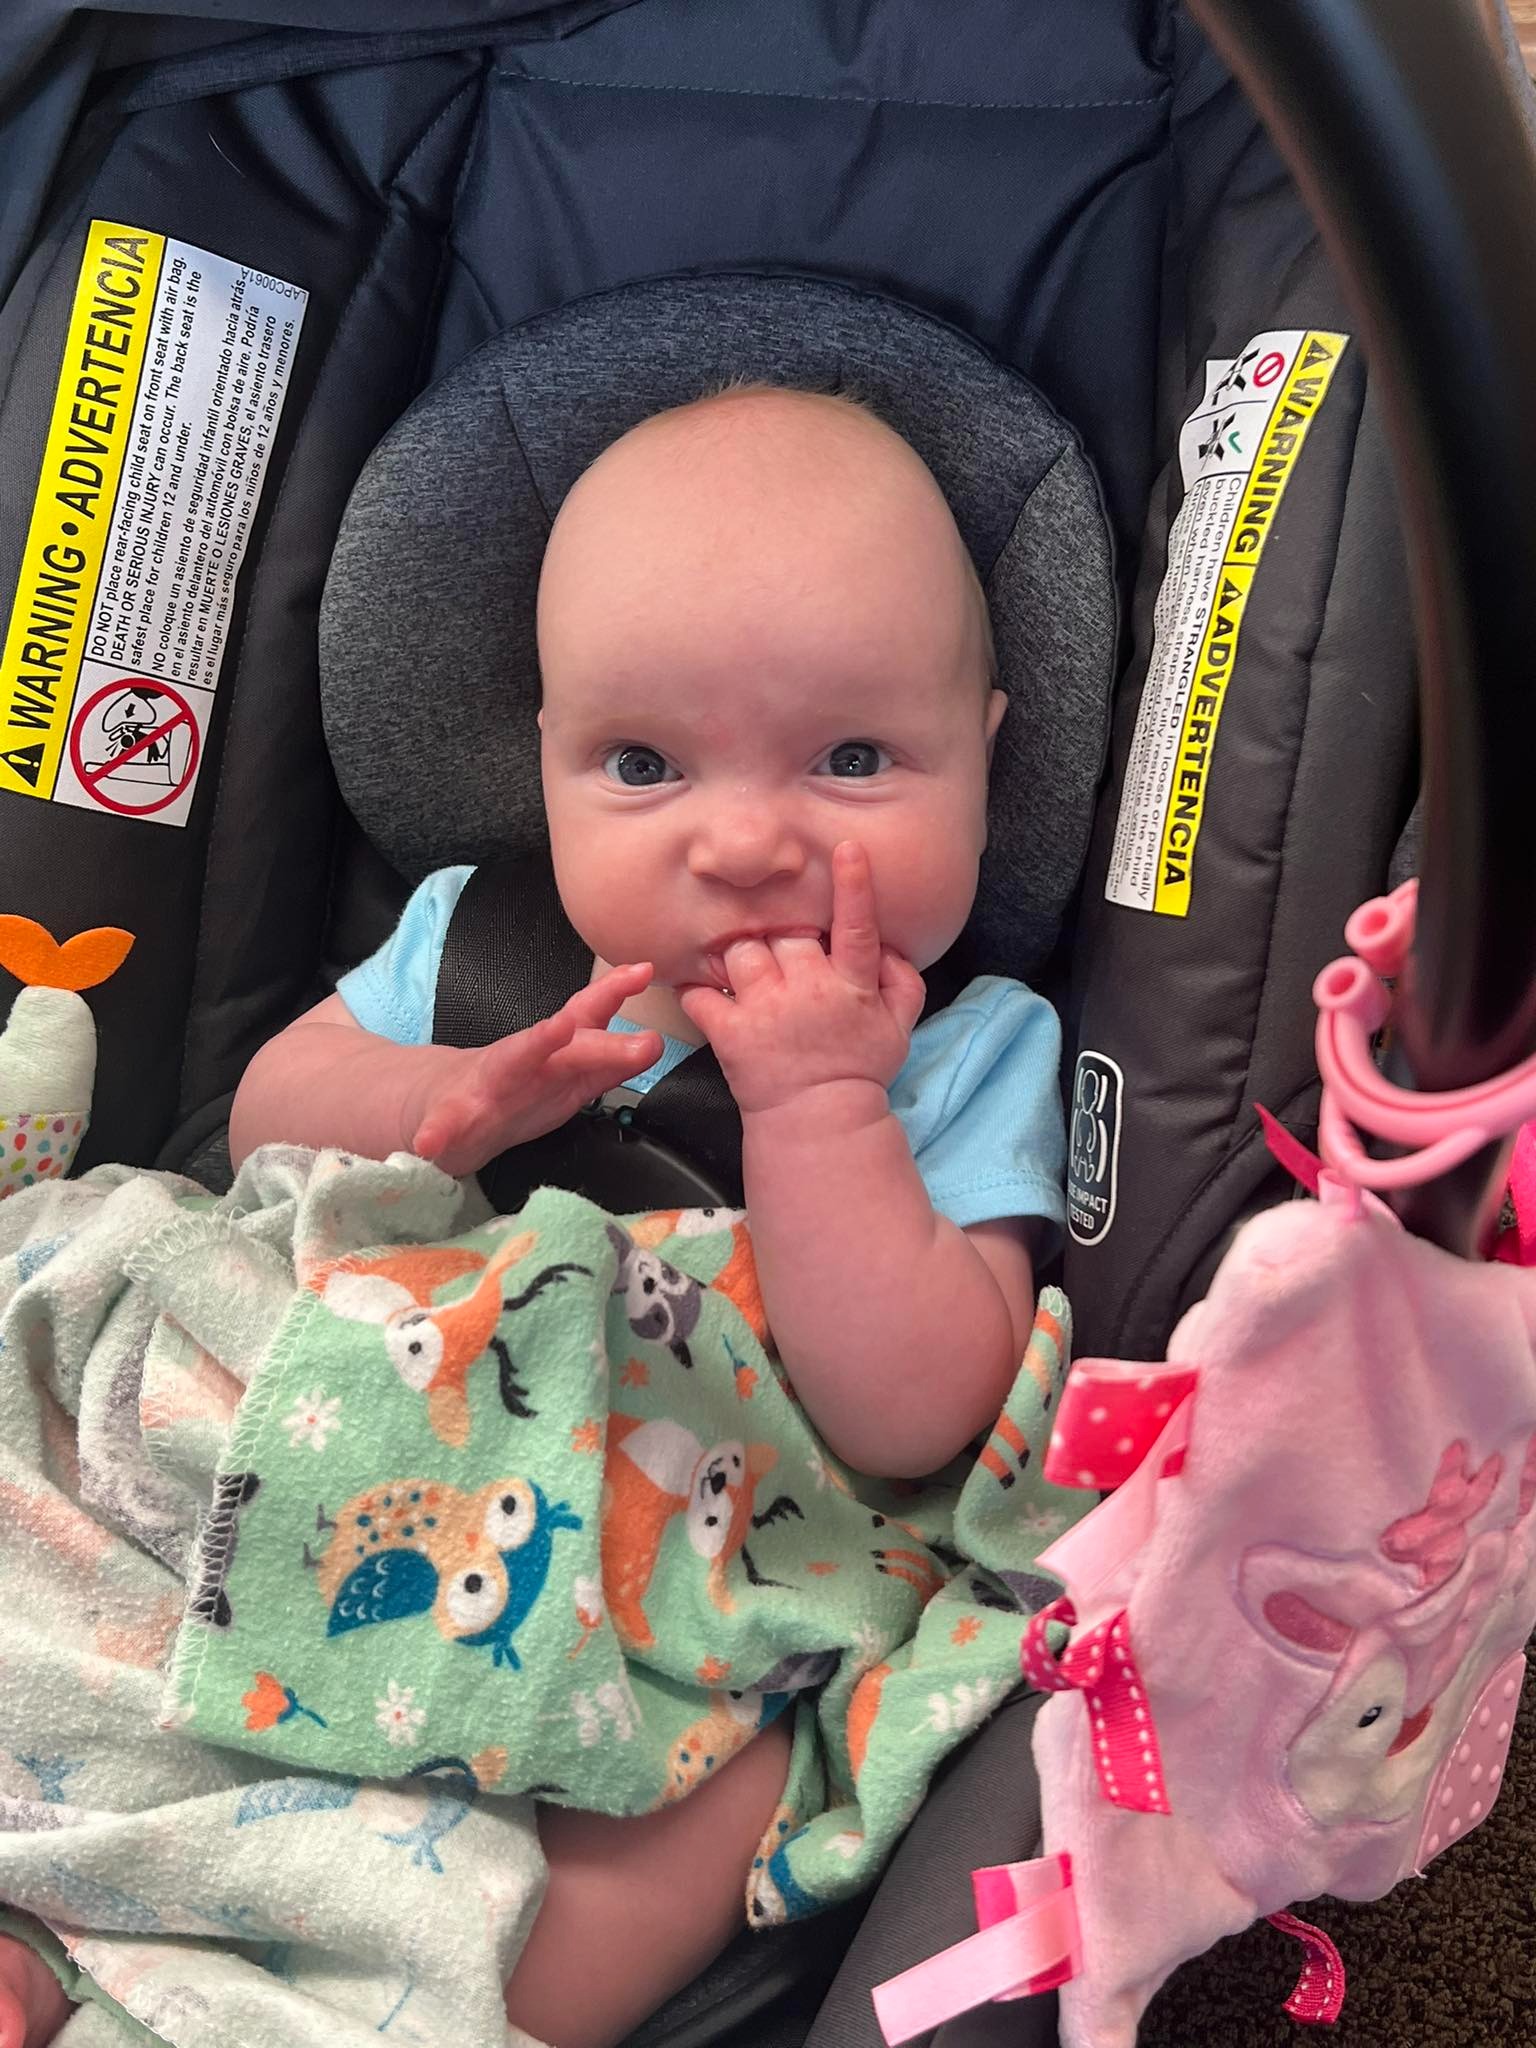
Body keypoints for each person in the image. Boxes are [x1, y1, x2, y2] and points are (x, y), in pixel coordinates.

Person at [0, 385, 1065, 2048]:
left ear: (985, 752)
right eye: (643, 767)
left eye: (853, 760)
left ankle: (314, 2015)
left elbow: (922, 1415)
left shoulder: (971, 1051)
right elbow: (266, 1121)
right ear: (547, 759)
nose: (744, 840)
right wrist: (447, 1104)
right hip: (297, 1449)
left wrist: (820, 1114)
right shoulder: (479, 938)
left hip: (651, 1603)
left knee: (727, 1801)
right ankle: (65, 1888)